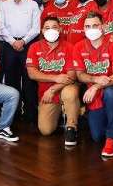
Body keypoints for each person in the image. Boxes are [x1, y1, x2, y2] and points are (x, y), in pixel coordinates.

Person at [73, 12, 113, 157]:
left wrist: (98, 86)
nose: (91, 29)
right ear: (83, 29)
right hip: (93, 94)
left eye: (95, 25)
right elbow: (80, 75)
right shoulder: (78, 46)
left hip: (111, 88)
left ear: (103, 26)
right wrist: (95, 80)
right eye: (87, 26)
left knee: (111, 92)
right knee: (97, 136)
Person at [26, 17, 80, 146]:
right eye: (47, 27)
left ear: (60, 29)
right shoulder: (34, 47)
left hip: (64, 87)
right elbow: (32, 74)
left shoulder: (69, 47)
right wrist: (54, 78)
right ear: (42, 30)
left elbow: (71, 75)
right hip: (46, 93)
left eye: (54, 27)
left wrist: (52, 89)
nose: (51, 30)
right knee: (46, 130)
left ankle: (71, 127)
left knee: (70, 93)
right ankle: (62, 111)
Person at [0, 0, 41, 121]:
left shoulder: (33, 5)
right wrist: (12, 41)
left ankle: (31, 115)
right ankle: (13, 114)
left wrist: (23, 41)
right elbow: (1, 27)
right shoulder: (3, 5)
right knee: (11, 80)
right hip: (9, 46)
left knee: (29, 80)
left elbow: (36, 28)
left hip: (28, 44)